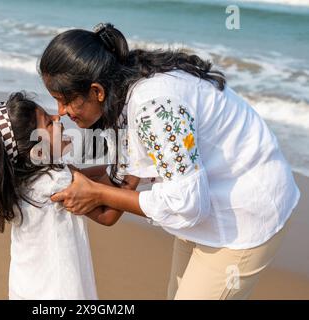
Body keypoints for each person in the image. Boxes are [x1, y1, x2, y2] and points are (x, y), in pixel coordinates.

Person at [39, 23, 300, 299]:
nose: (61, 112)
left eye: (64, 101)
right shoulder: (124, 93)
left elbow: (187, 204)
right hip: (208, 200)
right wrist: (64, 179)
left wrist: (95, 192)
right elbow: (119, 183)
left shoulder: (155, 108)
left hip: (245, 211)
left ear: (96, 91)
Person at [0, 91, 98, 299]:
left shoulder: (27, 183)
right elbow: (105, 206)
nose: (58, 117)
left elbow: (88, 179)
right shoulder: (56, 182)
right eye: (49, 122)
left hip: (26, 289)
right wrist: (135, 170)